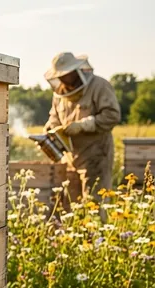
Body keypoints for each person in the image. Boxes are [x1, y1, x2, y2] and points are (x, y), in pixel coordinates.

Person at [43, 52, 121, 199]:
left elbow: (112, 115)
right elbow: (54, 116)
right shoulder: (59, 94)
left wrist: (84, 125)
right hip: (69, 158)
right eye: (59, 76)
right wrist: (51, 128)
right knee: (73, 205)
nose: (61, 79)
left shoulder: (99, 86)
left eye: (65, 74)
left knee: (95, 204)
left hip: (96, 155)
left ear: (75, 71)